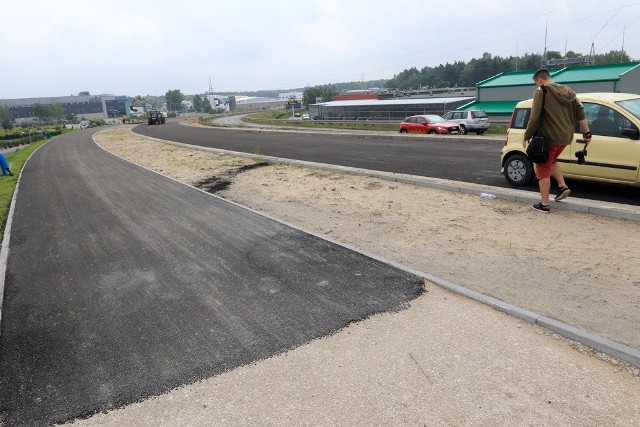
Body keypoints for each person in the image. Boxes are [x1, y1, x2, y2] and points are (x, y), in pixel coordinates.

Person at [523, 68, 592, 213]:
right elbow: (580, 112)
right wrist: (587, 132)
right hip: (566, 137)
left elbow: (534, 117)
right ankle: (563, 186)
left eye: (536, 83)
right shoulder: (569, 91)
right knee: (552, 161)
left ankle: (545, 205)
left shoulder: (541, 91)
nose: (537, 85)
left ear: (540, 80)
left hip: (548, 138)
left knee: (542, 170)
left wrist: (526, 135)